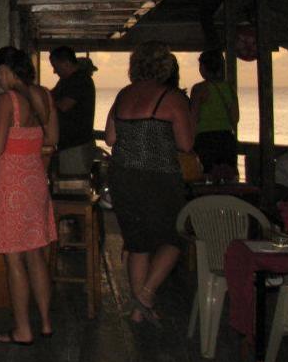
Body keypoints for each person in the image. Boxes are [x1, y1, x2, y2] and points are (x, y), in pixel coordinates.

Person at [105, 41, 194, 326]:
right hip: (158, 177)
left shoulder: (124, 94)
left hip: (123, 176)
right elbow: (186, 144)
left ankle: (138, 311)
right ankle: (145, 296)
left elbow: (110, 138)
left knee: (137, 243)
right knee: (175, 238)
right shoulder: (172, 97)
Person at [0, 46, 58, 344]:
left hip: (11, 184)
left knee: (13, 259)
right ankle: (46, 322)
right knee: (36, 254)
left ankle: (23, 329)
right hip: (35, 180)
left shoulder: (7, 100)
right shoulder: (44, 96)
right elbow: (52, 139)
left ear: (5, 71)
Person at [189, 48, 239, 179]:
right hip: (226, 139)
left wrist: (190, 143)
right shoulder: (229, 88)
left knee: (205, 178)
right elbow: (235, 118)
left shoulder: (199, 89)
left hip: (205, 140)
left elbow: (193, 118)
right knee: (229, 180)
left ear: (203, 68)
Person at [49, 45, 96, 176]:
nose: (54, 71)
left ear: (66, 63)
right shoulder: (65, 81)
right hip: (68, 146)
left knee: (73, 183)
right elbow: (51, 96)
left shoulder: (80, 80)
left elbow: (64, 105)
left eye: (56, 66)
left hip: (76, 146)